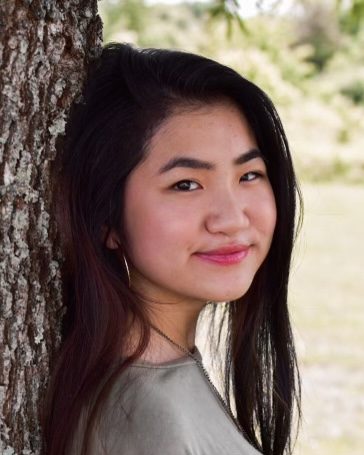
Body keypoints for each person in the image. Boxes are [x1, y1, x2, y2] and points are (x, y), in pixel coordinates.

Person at [43, 43, 302, 455]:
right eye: (186, 184)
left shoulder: (156, 374)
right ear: (106, 217)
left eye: (249, 175)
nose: (232, 219)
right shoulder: (147, 418)